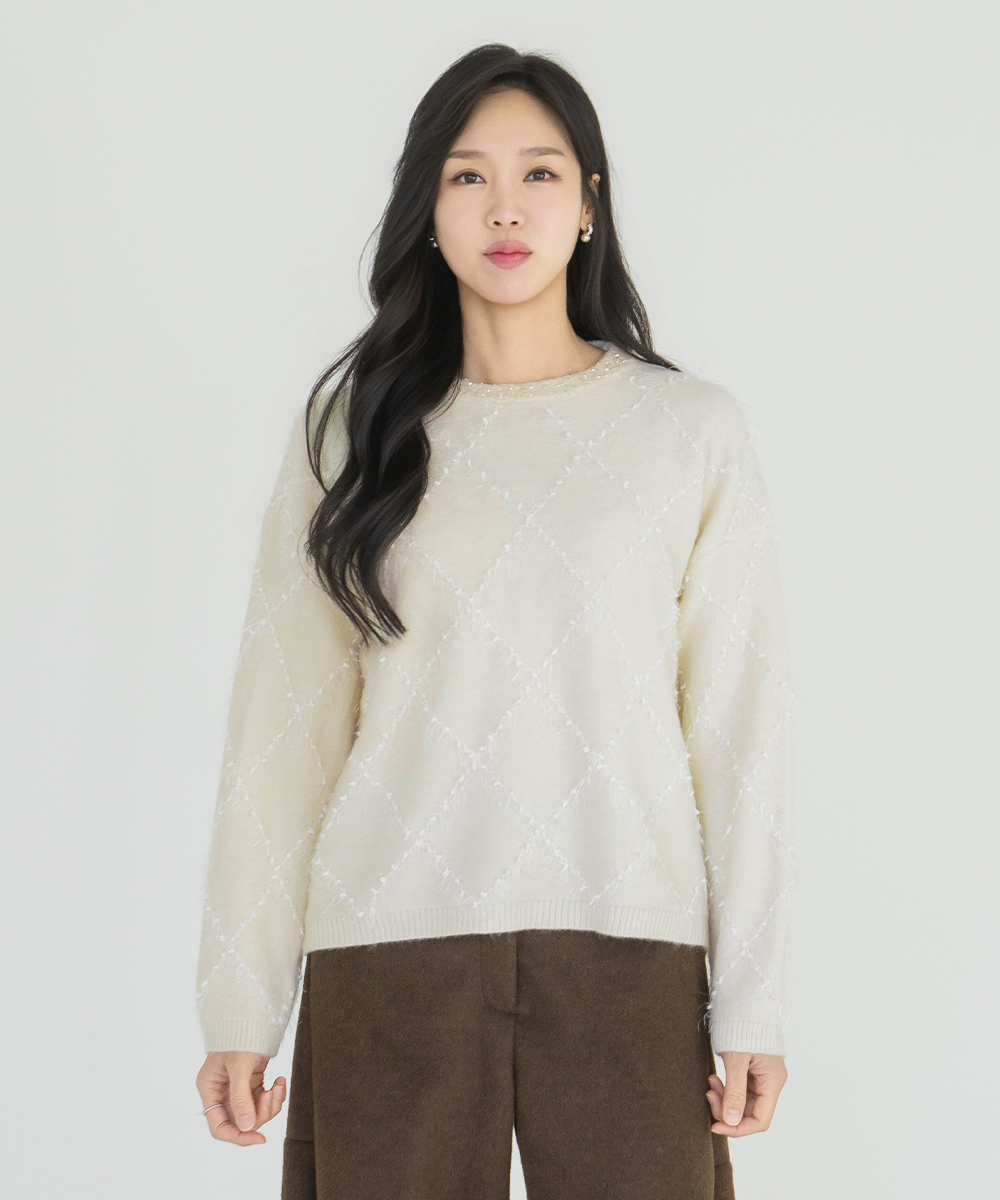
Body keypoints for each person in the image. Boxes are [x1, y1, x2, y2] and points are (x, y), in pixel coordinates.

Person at [194, 43, 794, 1200]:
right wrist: (239, 1004)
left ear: (589, 203)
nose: (504, 207)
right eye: (466, 176)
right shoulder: (351, 436)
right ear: (426, 209)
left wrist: (752, 1000)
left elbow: (739, 733)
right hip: (387, 945)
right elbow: (280, 732)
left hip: (632, 943)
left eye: (539, 173)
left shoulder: (688, 432)